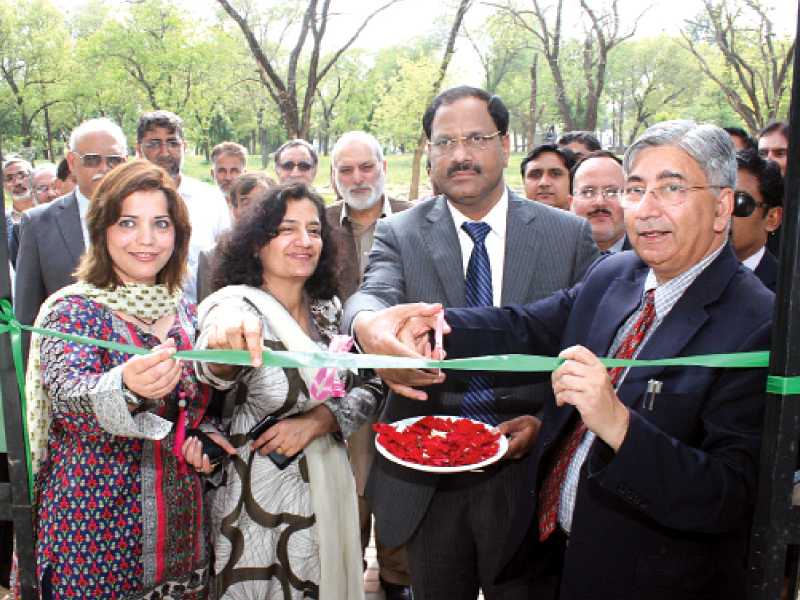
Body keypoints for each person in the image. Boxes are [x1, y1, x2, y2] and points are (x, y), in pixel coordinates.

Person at [370, 120, 774, 600]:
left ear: (722, 206)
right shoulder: (616, 274)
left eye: (671, 189)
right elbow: (526, 325)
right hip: (554, 559)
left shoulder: (757, 322)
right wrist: (431, 324)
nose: (645, 210)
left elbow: (730, 497)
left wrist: (618, 424)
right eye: (636, 189)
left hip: (649, 579)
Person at [343, 86, 599, 600]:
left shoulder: (567, 235)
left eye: (476, 138)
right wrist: (368, 329)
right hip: (430, 476)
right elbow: (369, 297)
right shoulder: (400, 232)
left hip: (527, 477)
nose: (460, 155)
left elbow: (593, 344)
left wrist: (549, 425)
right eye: (444, 142)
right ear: (430, 154)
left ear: (505, 145)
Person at [16, 159, 215, 599]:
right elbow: (67, 396)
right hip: (93, 531)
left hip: (180, 527)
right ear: (102, 231)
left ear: (178, 233)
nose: (146, 239)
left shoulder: (185, 311)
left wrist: (205, 435)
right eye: (128, 223)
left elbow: (199, 403)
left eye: (160, 223)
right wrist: (125, 386)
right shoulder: (71, 310)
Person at [189, 182, 380, 600]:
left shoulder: (328, 308)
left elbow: (373, 384)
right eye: (287, 229)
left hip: (330, 492)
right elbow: (213, 366)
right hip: (256, 509)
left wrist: (324, 419)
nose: (304, 241)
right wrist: (223, 347)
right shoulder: (234, 305)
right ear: (257, 244)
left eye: (314, 230)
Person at [327, 130, 414, 600]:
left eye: (366, 167)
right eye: (346, 170)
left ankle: (398, 579)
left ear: (384, 167)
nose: (357, 178)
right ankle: (347, 577)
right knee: (354, 490)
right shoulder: (317, 226)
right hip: (341, 386)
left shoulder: (417, 219)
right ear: (334, 176)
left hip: (405, 378)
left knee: (403, 484)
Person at [15, 118, 128, 362]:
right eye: (92, 160)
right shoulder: (38, 223)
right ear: (72, 162)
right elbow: (27, 319)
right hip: (66, 370)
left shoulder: (149, 219)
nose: (104, 169)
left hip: (139, 370)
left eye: (114, 160)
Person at [136, 110, 230, 303]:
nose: (164, 153)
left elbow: (227, 263)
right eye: (154, 144)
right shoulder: (125, 200)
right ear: (139, 148)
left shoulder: (211, 199)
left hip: (200, 320)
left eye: (173, 144)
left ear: (184, 147)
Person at [196, 171, 275, 304]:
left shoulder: (288, 251)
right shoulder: (211, 257)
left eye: (263, 200)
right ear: (235, 210)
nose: (255, 208)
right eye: (246, 202)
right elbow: (206, 310)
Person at [731, 149, 783, 292]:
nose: (722, 212)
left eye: (739, 202)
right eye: (714, 200)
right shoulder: (676, 276)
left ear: (772, 219)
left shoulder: (787, 291)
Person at [569, 151, 630, 253]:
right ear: (571, 202)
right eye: (588, 192)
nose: (600, 202)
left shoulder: (651, 259)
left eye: (612, 192)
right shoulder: (551, 257)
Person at [520, 144, 576, 210]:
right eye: (535, 175)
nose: (544, 183)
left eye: (555, 174)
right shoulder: (508, 219)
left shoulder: (585, 219)